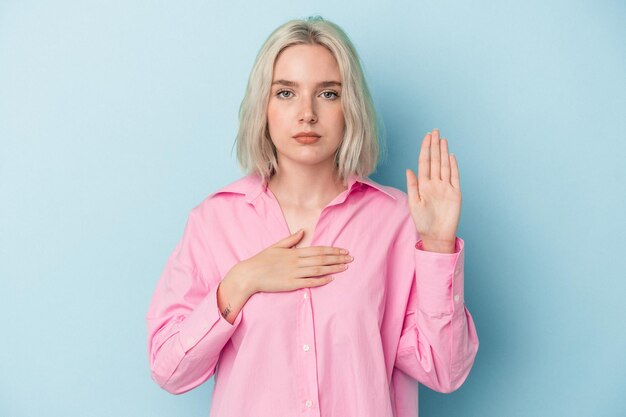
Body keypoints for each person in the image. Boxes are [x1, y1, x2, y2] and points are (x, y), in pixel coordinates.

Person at [145, 15, 479, 417]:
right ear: (263, 107)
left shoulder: (396, 222)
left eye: (328, 94)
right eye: (286, 92)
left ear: (350, 107)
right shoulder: (213, 222)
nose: (307, 113)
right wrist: (241, 281)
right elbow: (169, 370)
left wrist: (439, 247)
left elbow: (444, 370)